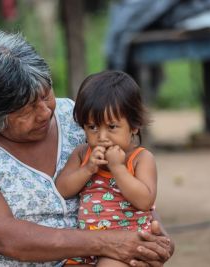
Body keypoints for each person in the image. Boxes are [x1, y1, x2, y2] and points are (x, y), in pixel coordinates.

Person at [0, 31, 173, 266]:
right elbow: (5, 237)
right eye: (27, 109)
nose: (45, 112)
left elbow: (127, 188)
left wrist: (149, 241)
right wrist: (109, 243)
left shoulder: (76, 118)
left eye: (46, 95)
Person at [55, 70, 157, 266]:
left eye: (112, 127)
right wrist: (87, 169)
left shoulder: (140, 159)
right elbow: (62, 190)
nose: (102, 137)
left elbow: (145, 201)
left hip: (126, 246)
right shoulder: (82, 154)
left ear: (134, 126)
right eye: (93, 127)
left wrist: (118, 168)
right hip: (86, 246)